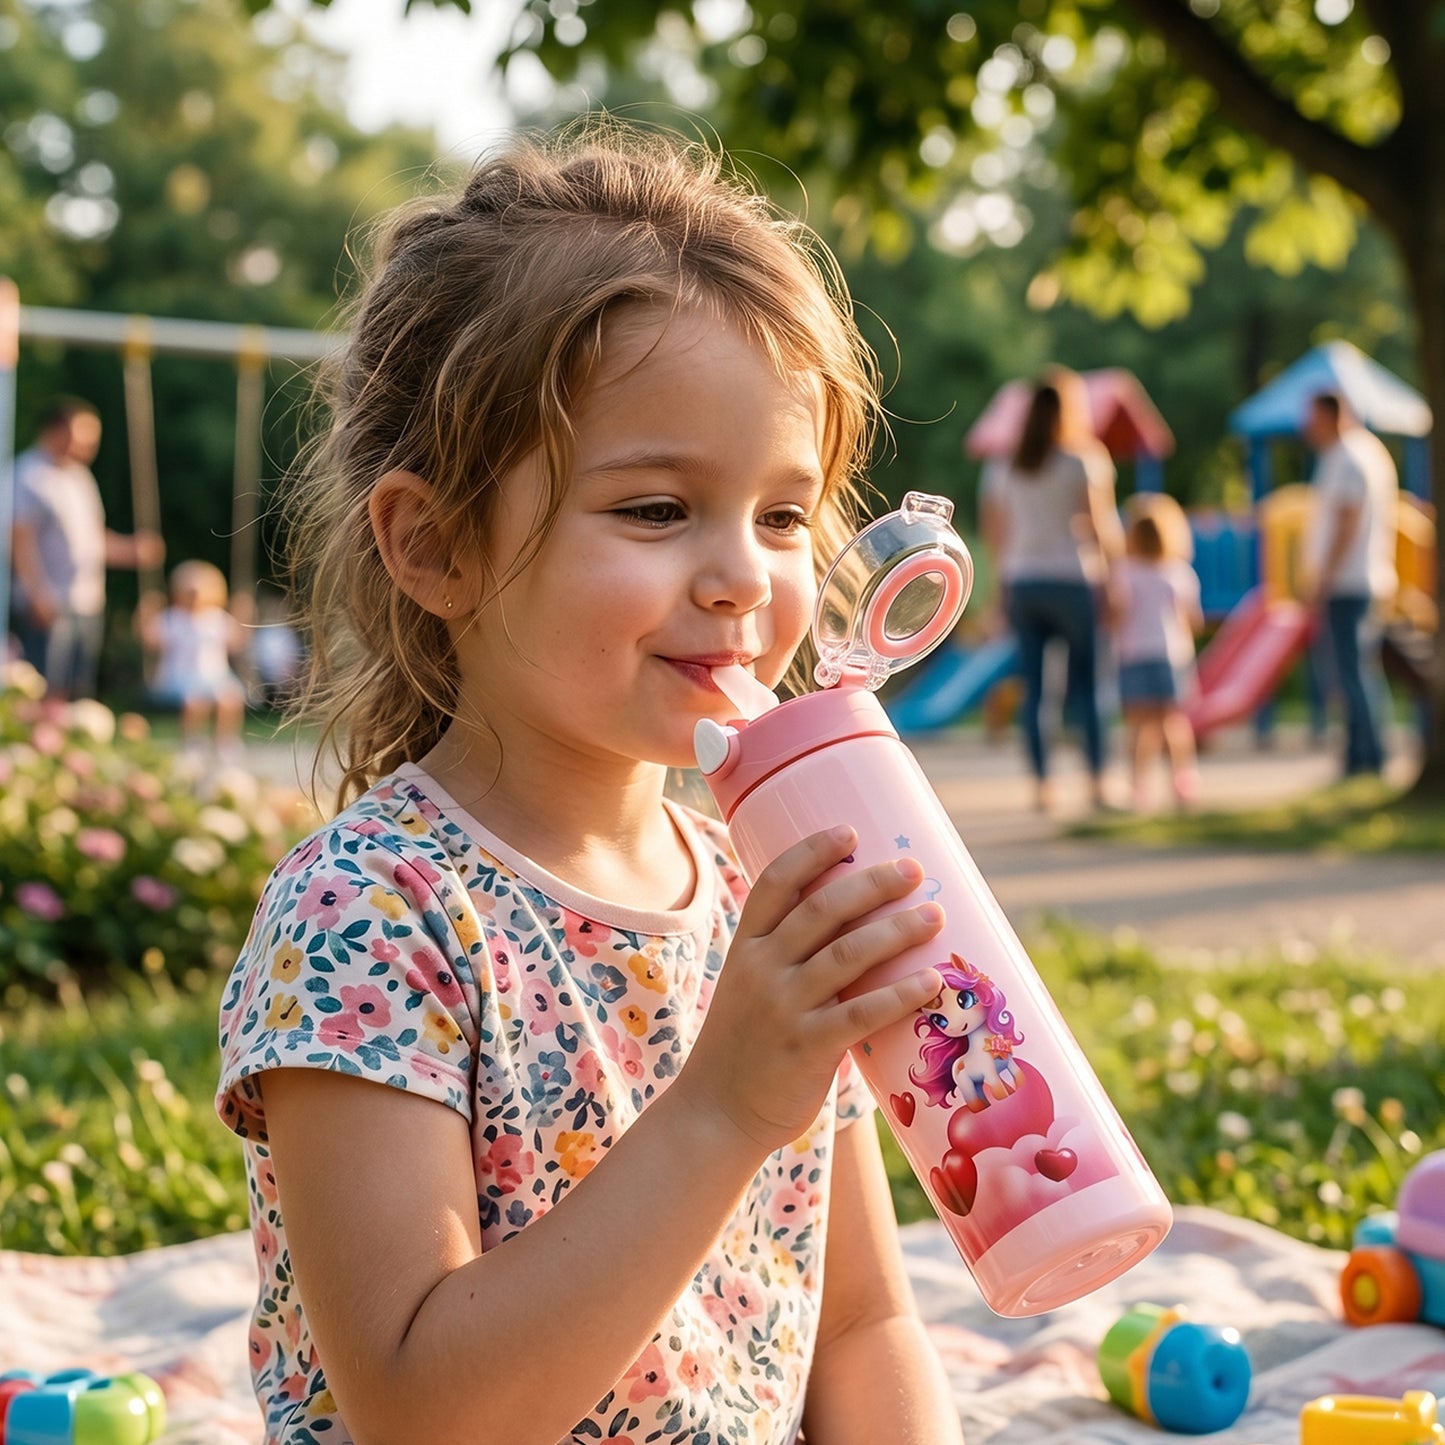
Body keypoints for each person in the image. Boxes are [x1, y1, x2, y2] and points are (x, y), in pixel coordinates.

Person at [215, 123, 964, 1445]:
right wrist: (725, 1105)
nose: (740, 576)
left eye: (782, 515)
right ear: (435, 547)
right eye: (657, 509)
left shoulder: (760, 887)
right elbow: (421, 1414)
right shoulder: (370, 913)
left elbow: (860, 1322)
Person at [979, 370, 1124, 812]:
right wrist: (1116, 579)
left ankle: (1043, 786)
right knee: (1088, 685)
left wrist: (1000, 588)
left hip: (1024, 582)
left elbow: (995, 532)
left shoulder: (1003, 465)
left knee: (1037, 689)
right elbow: (1100, 524)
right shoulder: (1083, 459)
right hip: (1073, 580)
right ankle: (1098, 780)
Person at [9, 396, 164, 699]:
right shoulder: (28, 475)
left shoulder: (80, 477)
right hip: (48, 602)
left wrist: (130, 551)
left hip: (86, 601)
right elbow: (20, 538)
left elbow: (89, 540)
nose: (90, 445)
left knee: (77, 690)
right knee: (44, 689)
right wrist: (36, 593)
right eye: (83, 436)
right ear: (55, 431)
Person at [1301, 391, 1399, 778]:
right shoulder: (1356, 453)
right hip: (1358, 579)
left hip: (1349, 581)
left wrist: (1324, 577)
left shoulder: (1350, 457)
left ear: (1330, 416)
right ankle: (1364, 752)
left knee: (1352, 672)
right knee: (1358, 669)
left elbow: (1347, 520)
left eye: (1312, 418)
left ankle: (1365, 757)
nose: (1306, 427)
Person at [1112, 494, 1203, 810]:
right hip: (1172, 654)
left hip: (1134, 654)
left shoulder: (1125, 572)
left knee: (1139, 725)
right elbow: (1193, 619)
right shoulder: (1179, 573)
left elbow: (1117, 614)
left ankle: (1139, 785)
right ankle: (1183, 780)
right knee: (1173, 722)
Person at [135, 559, 248, 757]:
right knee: (195, 700)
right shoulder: (172, 618)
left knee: (230, 699)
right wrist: (144, 615)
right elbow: (151, 641)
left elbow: (236, 643)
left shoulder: (217, 618)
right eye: (189, 593)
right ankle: (192, 741)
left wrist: (243, 617)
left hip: (216, 676)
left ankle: (226, 741)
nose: (195, 598)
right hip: (178, 677)